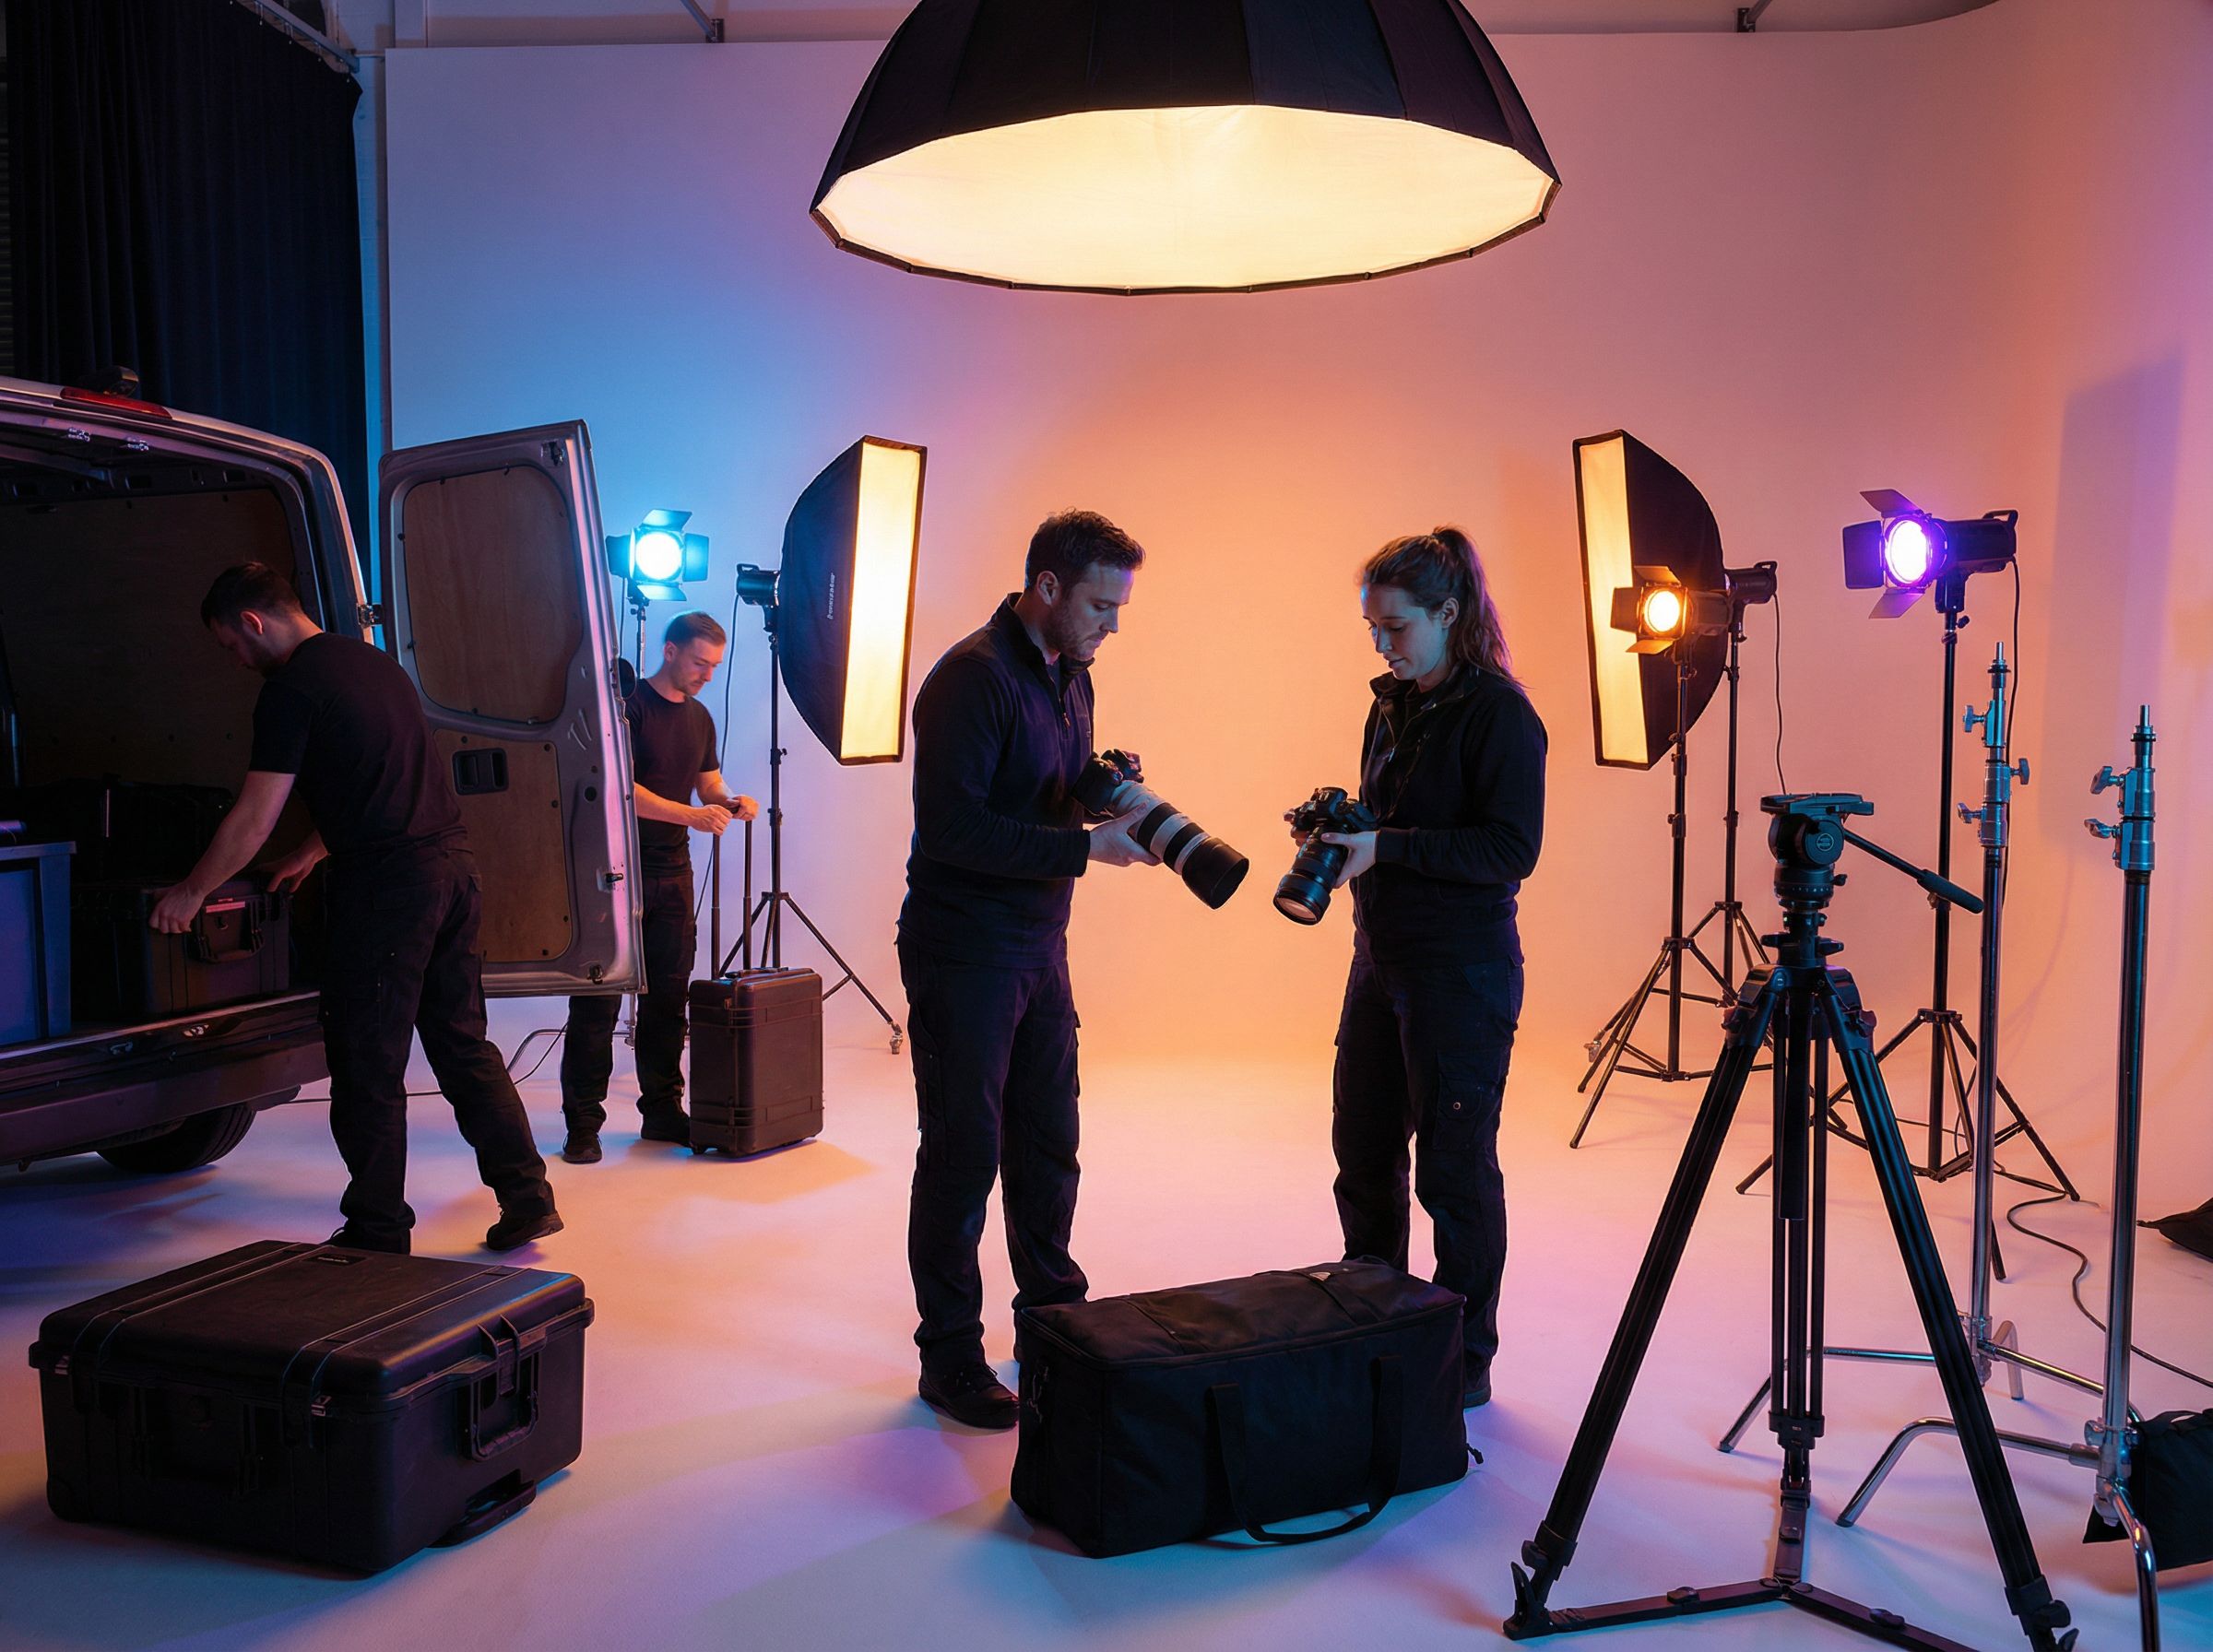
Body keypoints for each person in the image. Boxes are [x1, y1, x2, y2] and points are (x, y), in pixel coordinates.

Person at [153, 562, 562, 1254]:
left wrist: (191, 892)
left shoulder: (290, 690)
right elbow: (378, 775)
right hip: (452, 873)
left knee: (368, 1058)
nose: (235, 659)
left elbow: (255, 816)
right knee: (462, 1044)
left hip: (389, 891)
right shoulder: (372, 665)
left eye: (230, 645)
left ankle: (376, 1231)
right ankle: (527, 1197)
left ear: (252, 622)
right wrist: (315, 851)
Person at [897, 509, 1159, 1430]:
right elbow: (958, 829)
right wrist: (1093, 851)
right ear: (1047, 588)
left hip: (1038, 947)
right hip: (964, 949)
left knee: (1048, 1145)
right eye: (1099, 603)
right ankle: (952, 1360)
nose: (1110, 624)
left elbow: (1047, 785)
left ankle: (1051, 1326)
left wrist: (1105, 781)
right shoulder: (972, 680)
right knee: (965, 1154)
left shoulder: (1070, 671)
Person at [1304, 527, 1545, 1408]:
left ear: (1450, 614)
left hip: (1460, 975)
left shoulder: (1504, 716)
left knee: (1454, 1169)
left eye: (1396, 628)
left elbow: (1511, 848)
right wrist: (1344, 828)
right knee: (1363, 1153)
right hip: (1381, 962)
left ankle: (1463, 1360)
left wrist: (1389, 845)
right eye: (1372, 628)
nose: (1382, 645)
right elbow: (1399, 818)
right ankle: (1377, 1323)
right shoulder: (1390, 701)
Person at [559, 611, 757, 1162]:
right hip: (615, 871)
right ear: (669, 651)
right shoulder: (626, 710)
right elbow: (621, 787)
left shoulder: (699, 717)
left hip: (672, 874)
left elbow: (707, 780)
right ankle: (583, 1125)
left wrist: (727, 801)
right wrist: (691, 817)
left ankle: (663, 1112)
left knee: (668, 1000)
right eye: (699, 663)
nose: (707, 676)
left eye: (714, 666)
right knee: (598, 999)